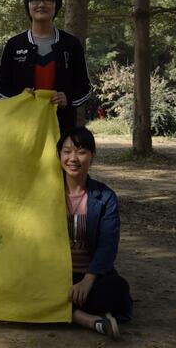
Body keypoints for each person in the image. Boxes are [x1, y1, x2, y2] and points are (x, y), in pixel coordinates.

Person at [57, 126, 132, 340]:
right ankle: (90, 320)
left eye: (81, 152)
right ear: (59, 155)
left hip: (91, 275)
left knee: (117, 289)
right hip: (54, 275)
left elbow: (108, 246)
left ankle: (62, 310)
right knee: (27, 285)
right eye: (67, 151)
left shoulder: (105, 196)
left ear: (92, 156)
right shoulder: (47, 193)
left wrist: (88, 280)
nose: (73, 158)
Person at [0, 0, 91, 134]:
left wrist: (68, 99)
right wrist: (19, 96)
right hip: (22, 128)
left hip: (62, 128)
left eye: (48, 0)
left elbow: (85, 88)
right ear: (28, 5)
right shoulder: (14, 44)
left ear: (56, 5)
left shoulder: (71, 44)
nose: (41, 4)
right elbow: (1, 88)